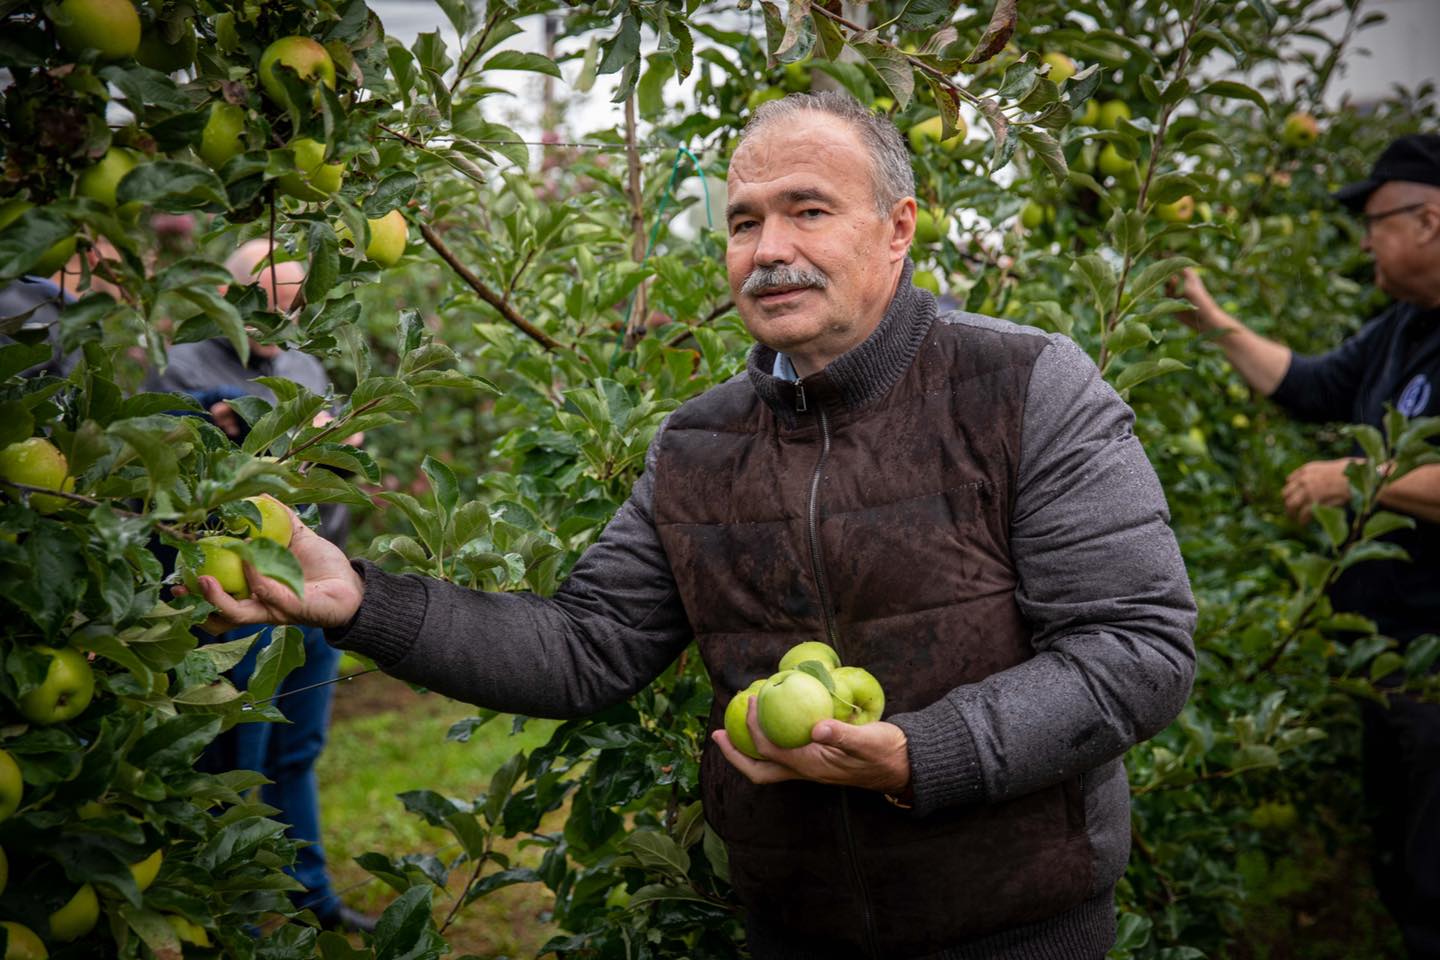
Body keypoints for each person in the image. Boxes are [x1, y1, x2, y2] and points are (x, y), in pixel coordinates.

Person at [187, 93, 1196, 958]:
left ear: (898, 229)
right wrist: (362, 601)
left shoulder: (1024, 387)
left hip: (1017, 929)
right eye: (743, 222)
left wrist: (919, 754)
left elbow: (1136, 650)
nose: (770, 251)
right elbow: (586, 646)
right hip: (793, 931)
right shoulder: (699, 443)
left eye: (809, 210)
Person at [1176, 133, 1440, 958]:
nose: (1366, 241)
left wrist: (1355, 478)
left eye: (1377, 221)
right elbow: (1309, 382)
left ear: (1431, 220)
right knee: (1402, 863)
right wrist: (1215, 324)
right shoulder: (1401, 326)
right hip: (1385, 657)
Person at [145, 239, 376, 934]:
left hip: (308, 590)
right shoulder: (183, 366)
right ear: (232, 297)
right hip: (235, 599)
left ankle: (313, 896)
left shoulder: (303, 365)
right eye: (271, 300)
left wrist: (342, 446)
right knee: (235, 756)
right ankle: (236, 913)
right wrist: (218, 422)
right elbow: (161, 471)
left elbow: (335, 467)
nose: (286, 315)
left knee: (297, 747)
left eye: (294, 299)